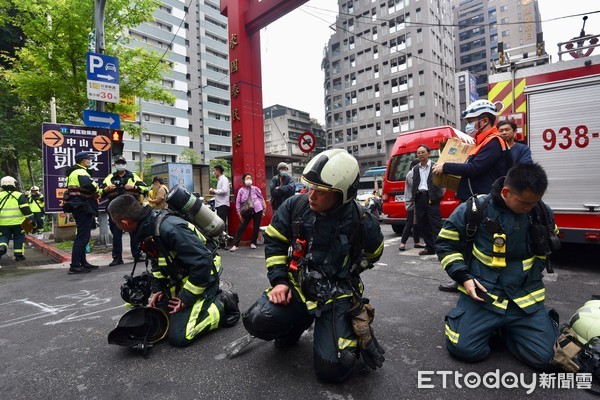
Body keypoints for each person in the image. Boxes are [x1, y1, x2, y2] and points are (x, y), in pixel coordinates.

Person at [242, 149, 385, 383]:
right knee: (256, 319)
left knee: (333, 369)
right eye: (310, 187)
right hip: (299, 288)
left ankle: (344, 325)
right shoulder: (295, 206)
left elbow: (375, 252)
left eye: (321, 191)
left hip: (336, 298)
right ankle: (297, 322)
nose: (312, 195)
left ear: (343, 194)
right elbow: (275, 241)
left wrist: (349, 276)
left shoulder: (362, 221)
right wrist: (279, 281)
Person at [436, 163, 559, 370]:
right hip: (484, 296)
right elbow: (445, 243)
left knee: (548, 358)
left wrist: (533, 272)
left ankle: (508, 330)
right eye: (524, 203)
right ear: (505, 192)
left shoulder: (541, 212)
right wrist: (464, 277)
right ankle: (482, 324)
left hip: (525, 299)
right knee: (465, 350)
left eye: (535, 202)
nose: (529, 208)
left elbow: (548, 243)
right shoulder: (475, 209)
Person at [106, 194, 240, 347]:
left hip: (204, 276)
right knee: (159, 318)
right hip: (182, 276)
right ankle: (195, 302)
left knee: (180, 335)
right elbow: (157, 263)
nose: (117, 226)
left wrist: (186, 298)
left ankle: (223, 303)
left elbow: (203, 263)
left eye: (116, 223)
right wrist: (158, 289)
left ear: (125, 222)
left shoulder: (170, 228)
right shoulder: (148, 228)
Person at [432, 99, 512, 292]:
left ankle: (474, 281)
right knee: (467, 242)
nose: (469, 124)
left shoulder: (494, 142)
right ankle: (465, 279)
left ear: (484, 120)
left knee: (475, 242)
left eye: (471, 120)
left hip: (485, 202)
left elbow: (475, 168)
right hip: (475, 200)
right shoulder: (482, 142)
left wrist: (446, 166)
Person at [99, 156, 149, 266]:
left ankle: (137, 254)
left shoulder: (133, 176)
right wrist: (106, 189)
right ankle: (117, 257)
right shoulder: (110, 178)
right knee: (116, 235)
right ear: (115, 165)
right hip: (116, 212)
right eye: (118, 163)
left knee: (135, 233)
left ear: (125, 164)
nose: (120, 165)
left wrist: (134, 187)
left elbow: (146, 189)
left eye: (122, 163)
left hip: (131, 211)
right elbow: (99, 192)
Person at [63, 151, 100, 274]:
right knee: (82, 237)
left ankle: (83, 262)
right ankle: (75, 265)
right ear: (84, 161)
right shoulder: (80, 172)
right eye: (88, 160)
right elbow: (91, 187)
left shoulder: (73, 172)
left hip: (79, 206)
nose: (90, 162)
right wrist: (99, 189)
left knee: (85, 236)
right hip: (82, 207)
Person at [0, 176, 34, 261]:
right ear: (13, 184)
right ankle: (19, 256)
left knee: (4, 237)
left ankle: (2, 247)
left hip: (2, 223)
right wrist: (31, 219)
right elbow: (25, 209)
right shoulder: (19, 195)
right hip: (18, 223)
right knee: (19, 237)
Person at [230, 173, 265, 252]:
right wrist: (239, 214)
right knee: (241, 227)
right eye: (247, 178)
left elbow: (261, 198)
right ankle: (235, 244)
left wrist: (263, 209)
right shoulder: (241, 191)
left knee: (256, 227)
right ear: (243, 180)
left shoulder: (255, 189)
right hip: (247, 211)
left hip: (257, 209)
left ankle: (253, 242)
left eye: (250, 178)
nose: (249, 180)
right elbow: (238, 203)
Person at [399, 159, 425, 251]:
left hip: (415, 200)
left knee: (415, 223)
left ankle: (416, 242)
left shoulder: (414, 173)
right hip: (412, 201)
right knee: (410, 222)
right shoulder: (411, 174)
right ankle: (402, 243)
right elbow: (415, 188)